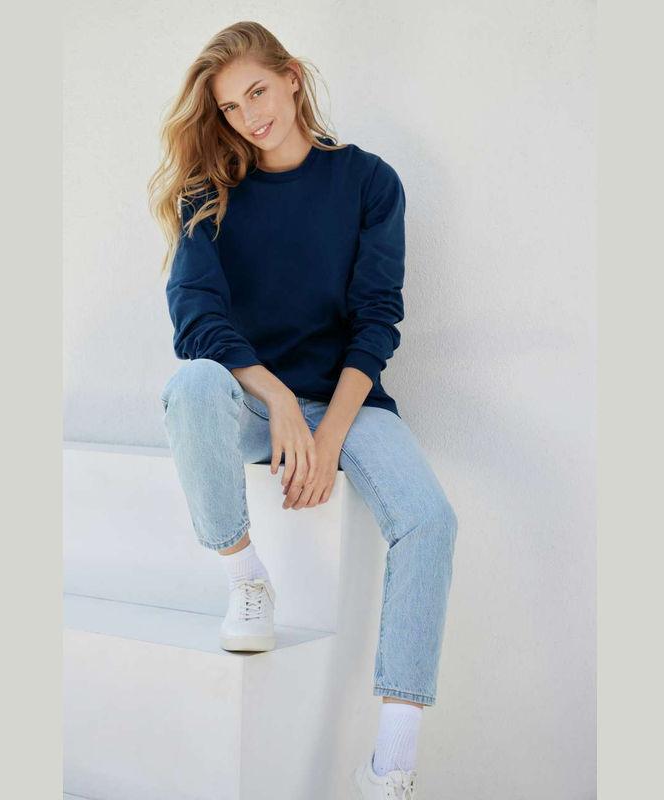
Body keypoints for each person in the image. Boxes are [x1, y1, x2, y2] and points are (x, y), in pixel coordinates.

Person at [148, 20, 457, 798]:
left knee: (429, 520)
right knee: (191, 386)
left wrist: (329, 431)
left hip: (347, 400)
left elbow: (377, 319)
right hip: (256, 404)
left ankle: (391, 766)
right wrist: (281, 398)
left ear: (290, 76)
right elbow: (197, 320)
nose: (250, 116)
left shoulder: (369, 182)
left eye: (258, 91)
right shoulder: (208, 196)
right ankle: (247, 578)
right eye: (230, 107)